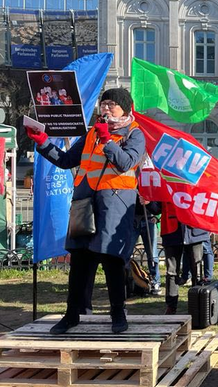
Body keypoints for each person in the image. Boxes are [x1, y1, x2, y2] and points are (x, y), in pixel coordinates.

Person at [26, 87, 146, 334]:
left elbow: (125, 163)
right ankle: (72, 316)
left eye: (111, 104)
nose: (105, 108)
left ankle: (117, 314)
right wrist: (42, 142)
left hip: (114, 206)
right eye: (103, 104)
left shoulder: (134, 134)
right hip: (84, 205)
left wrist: (106, 141)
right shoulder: (91, 133)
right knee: (80, 262)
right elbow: (66, 160)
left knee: (112, 263)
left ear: (125, 107)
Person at [156, 200, 210, 315]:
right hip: (171, 231)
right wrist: (148, 203)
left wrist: (209, 223)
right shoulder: (165, 183)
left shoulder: (196, 181)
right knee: (171, 271)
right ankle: (171, 306)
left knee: (197, 269)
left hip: (195, 228)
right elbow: (156, 207)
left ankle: (198, 305)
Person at [132, 194, 161, 295]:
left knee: (152, 254)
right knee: (126, 253)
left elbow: (159, 204)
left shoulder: (150, 181)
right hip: (133, 218)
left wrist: (157, 217)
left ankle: (155, 281)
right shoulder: (131, 180)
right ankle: (130, 280)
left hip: (149, 218)